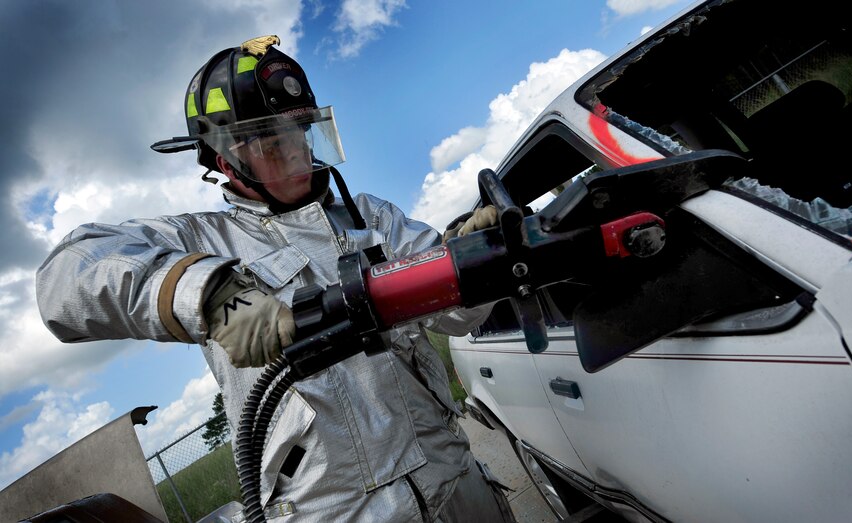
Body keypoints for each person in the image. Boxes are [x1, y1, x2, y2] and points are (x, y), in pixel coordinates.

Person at [36, 36, 513, 522]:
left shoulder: (369, 216)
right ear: (227, 162)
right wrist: (206, 293)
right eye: (272, 142)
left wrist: (474, 262)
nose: (298, 152)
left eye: (301, 131)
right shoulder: (203, 240)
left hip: (457, 484)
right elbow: (65, 275)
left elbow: (458, 319)